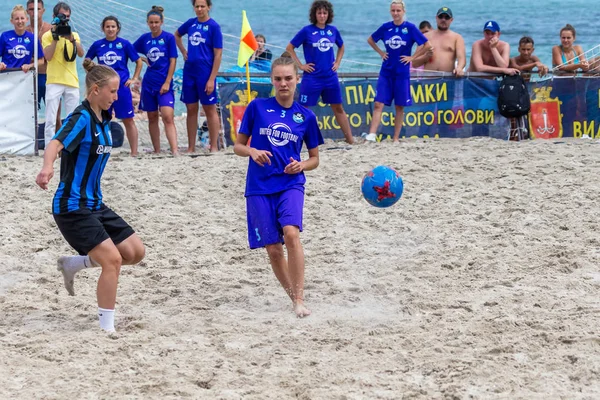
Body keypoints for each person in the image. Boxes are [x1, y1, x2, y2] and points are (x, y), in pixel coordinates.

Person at [35, 62, 145, 333]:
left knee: (134, 252)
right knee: (113, 260)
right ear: (96, 90)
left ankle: (74, 263)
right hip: (71, 206)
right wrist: (47, 167)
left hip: (95, 203)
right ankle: (107, 328)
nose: (116, 96)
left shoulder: (104, 117)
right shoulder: (82, 117)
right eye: (113, 91)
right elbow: (55, 143)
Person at [233, 53, 324, 318]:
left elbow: (315, 159)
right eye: (278, 79)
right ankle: (292, 296)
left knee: (291, 234)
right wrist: (251, 151)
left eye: (288, 78)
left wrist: (302, 165)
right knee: (273, 249)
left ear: (297, 79)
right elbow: (238, 145)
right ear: (272, 81)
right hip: (259, 185)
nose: (283, 83)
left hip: (290, 183)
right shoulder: (257, 107)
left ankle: (299, 298)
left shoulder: (305, 117)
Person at [285, 0, 354, 144]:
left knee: (338, 107)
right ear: (314, 14)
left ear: (328, 14)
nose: (322, 15)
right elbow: (290, 48)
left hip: (330, 77)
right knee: (302, 109)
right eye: (319, 13)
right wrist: (301, 65)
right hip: (312, 78)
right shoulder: (307, 31)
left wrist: (337, 63)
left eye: (324, 13)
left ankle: (350, 139)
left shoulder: (333, 30)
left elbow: (341, 47)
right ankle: (295, 140)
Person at [363, 0, 432, 143]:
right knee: (378, 103)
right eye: (393, 10)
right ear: (390, 12)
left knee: (399, 106)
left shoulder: (410, 28)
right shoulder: (386, 27)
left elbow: (427, 44)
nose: (396, 13)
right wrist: (381, 53)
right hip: (386, 71)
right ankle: (372, 135)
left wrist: (412, 57)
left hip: (402, 72)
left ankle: (395, 138)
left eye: (398, 11)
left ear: (403, 11)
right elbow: (371, 40)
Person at [85, 16, 143, 156]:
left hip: (121, 87)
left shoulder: (124, 44)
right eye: (107, 27)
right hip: (104, 88)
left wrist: (134, 79)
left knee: (128, 119)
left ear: (117, 28)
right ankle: (102, 149)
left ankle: (134, 152)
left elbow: (139, 61)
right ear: (103, 28)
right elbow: (87, 62)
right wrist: (94, 78)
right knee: (102, 119)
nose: (110, 29)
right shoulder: (98, 45)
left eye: (113, 27)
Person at [175, 0, 222, 153]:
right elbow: (176, 35)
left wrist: (211, 79)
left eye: (203, 6)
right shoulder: (190, 23)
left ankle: (214, 146)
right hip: (189, 72)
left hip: (205, 72)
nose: (200, 9)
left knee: (209, 108)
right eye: (197, 6)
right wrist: (183, 51)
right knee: (191, 108)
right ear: (194, 8)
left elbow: (218, 54)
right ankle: (191, 147)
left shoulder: (214, 27)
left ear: (209, 7)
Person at [133, 5, 178, 155]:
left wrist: (167, 81)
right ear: (147, 23)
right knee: (152, 117)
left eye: (156, 22)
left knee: (167, 116)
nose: (153, 25)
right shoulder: (144, 39)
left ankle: (175, 150)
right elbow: (130, 51)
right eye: (151, 22)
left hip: (164, 83)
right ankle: (157, 150)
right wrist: (142, 59)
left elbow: (173, 61)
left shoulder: (168, 38)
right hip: (148, 83)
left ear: (161, 22)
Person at [41, 2, 84, 147]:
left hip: (72, 81)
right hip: (54, 80)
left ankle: (70, 147)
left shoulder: (74, 34)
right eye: (62, 16)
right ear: (54, 17)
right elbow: (48, 56)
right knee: (51, 118)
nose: (65, 19)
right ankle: (49, 147)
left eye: (68, 17)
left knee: (72, 118)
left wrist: (71, 38)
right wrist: (55, 38)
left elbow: (80, 53)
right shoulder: (47, 35)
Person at [412, 7, 466, 76]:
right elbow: (414, 63)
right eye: (441, 17)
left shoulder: (457, 38)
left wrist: (459, 68)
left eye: (447, 17)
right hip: (428, 82)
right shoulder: (425, 37)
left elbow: (462, 59)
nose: (443, 20)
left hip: (447, 81)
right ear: (436, 18)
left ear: (451, 20)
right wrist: (425, 57)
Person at [0, 5, 44, 73]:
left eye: (22, 18)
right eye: (17, 19)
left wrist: (30, 65)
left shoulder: (33, 38)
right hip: (6, 77)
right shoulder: (5, 36)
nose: (20, 21)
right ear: (12, 21)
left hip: (23, 78)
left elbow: (41, 60)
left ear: (27, 19)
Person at [25, 0, 52, 108]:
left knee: (55, 116)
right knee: (29, 113)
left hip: (49, 76)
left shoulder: (50, 30)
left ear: (43, 11)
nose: (34, 12)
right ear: (27, 11)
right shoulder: (24, 32)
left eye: (37, 9)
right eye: (31, 9)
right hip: (30, 77)